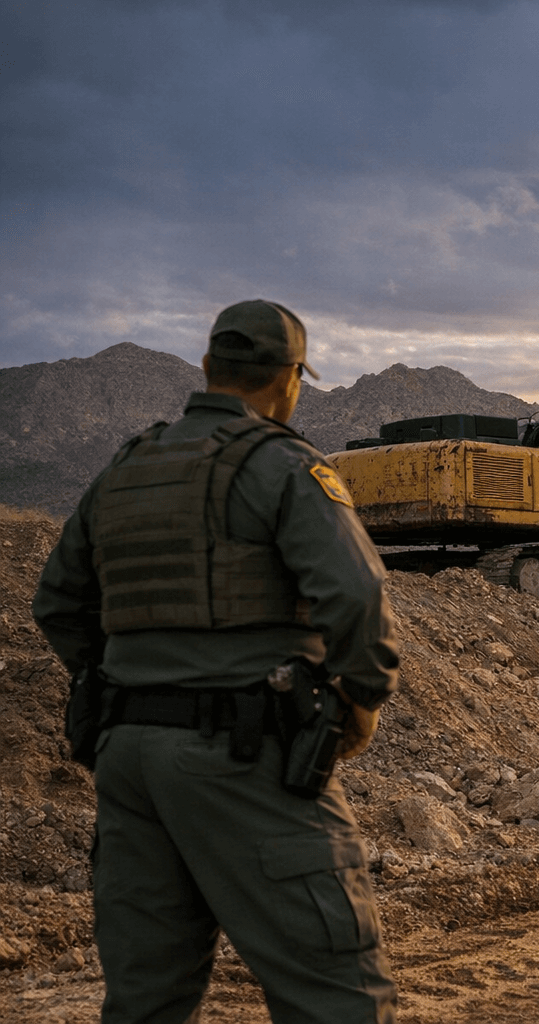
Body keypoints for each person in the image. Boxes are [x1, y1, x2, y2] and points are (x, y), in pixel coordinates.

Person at [32, 299, 400, 1023]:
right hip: (243, 750)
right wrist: (359, 704)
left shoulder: (126, 469)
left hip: (128, 759)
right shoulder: (284, 465)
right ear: (290, 379)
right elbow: (356, 598)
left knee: (147, 998)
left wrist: (118, 685)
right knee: (337, 992)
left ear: (208, 368)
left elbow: (57, 603)